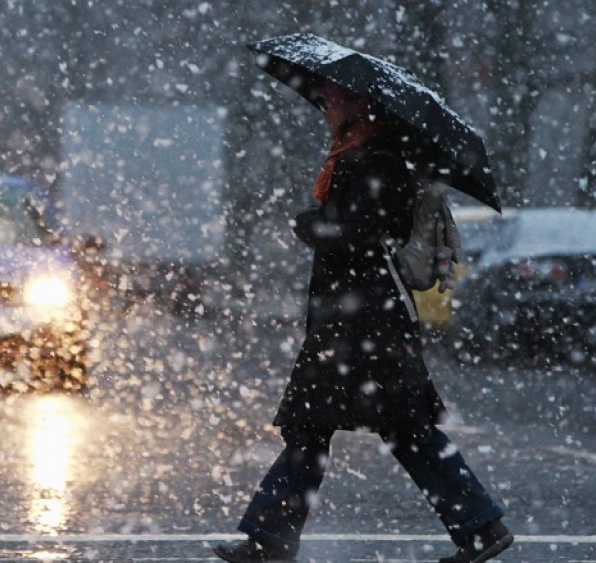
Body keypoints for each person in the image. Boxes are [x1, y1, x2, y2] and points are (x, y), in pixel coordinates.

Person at [213, 78, 514, 563]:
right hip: (355, 320)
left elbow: (371, 234)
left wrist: (316, 226)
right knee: (348, 430)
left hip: (368, 323)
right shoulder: (359, 157)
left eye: (335, 99)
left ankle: (480, 526)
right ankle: (478, 526)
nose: (327, 106)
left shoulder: (380, 161)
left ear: (358, 106)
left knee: (352, 428)